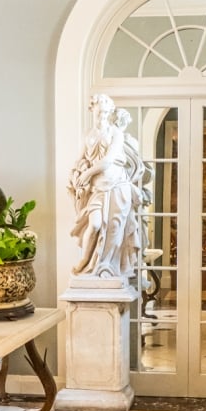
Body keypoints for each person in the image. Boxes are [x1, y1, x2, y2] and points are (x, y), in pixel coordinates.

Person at [69, 94, 143, 278]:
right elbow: (80, 159)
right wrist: (78, 172)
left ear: (110, 113)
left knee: (114, 228)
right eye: (98, 112)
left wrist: (87, 173)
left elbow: (108, 161)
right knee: (94, 225)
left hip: (117, 186)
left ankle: (107, 266)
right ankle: (85, 263)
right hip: (98, 189)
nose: (101, 116)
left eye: (105, 112)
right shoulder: (88, 135)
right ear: (92, 110)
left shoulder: (115, 134)